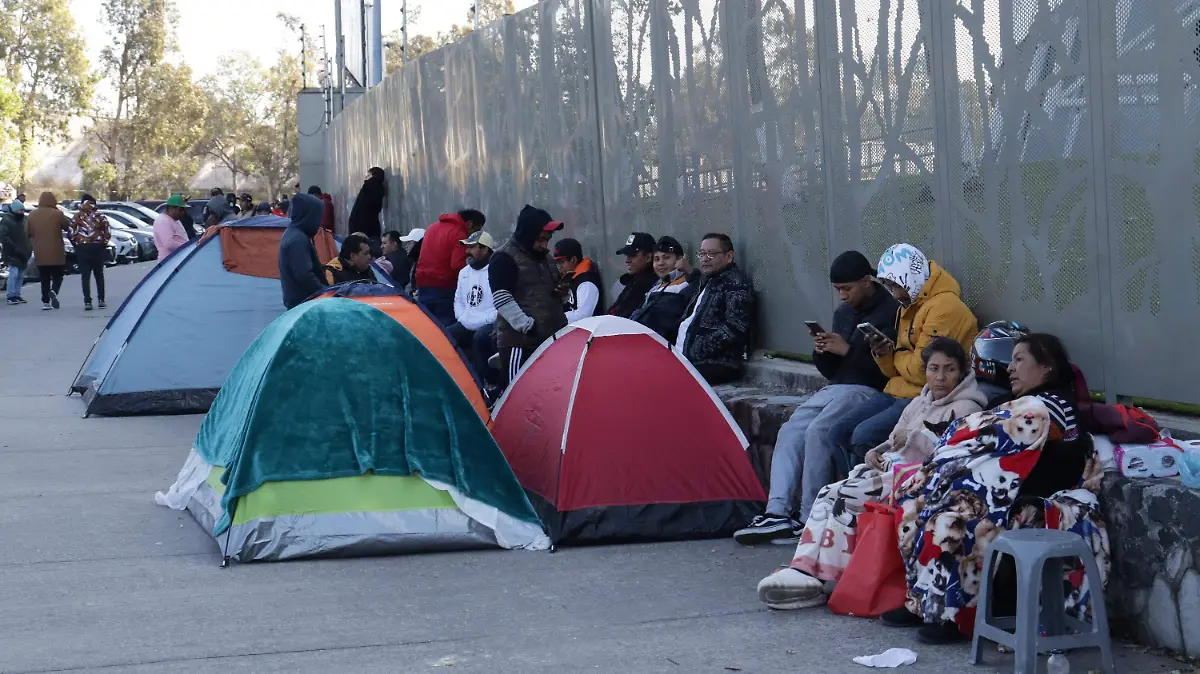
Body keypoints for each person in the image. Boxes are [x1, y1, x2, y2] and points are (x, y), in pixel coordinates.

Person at [882, 333, 1104, 645]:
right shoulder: (1019, 401)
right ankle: (924, 603)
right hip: (1009, 491)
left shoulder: (1054, 405)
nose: (1010, 368)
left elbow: (987, 435)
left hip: (1037, 502)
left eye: (1019, 360)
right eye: (1010, 360)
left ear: (1046, 367)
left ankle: (956, 616)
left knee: (958, 520)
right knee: (921, 503)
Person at [756, 337, 988, 609]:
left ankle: (816, 574)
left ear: (962, 372)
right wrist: (875, 453)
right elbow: (893, 438)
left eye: (949, 369)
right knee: (828, 493)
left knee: (842, 495)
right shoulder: (919, 402)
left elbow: (944, 454)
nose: (940, 377)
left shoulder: (967, 407)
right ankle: (805, 568)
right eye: (934, 368)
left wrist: (910, 440)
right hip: (891, 471)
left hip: (917, 481)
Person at [732, 251, 900, 544]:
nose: (843, 296)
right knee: (791, 430)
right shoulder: (844, 313)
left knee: (818, 431)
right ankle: (777, 512)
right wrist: (823, 351)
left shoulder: (891, 310)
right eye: (838, 290)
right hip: (836, 387)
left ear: (866, 281)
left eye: (847, 289)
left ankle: (809, 517)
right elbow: (830, 369)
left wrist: (847, 351)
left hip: (868, 391)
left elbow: (886, 371)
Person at [830, 243, 978, 464]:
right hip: (897, 389)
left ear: (912, 278)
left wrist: (896, 355)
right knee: (837, 432)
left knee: (863, 436)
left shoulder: (945, 308)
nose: (895, 294)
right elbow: (895, 370)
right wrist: (883, 353)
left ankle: (875, 486)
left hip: (923, 394)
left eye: (896, 286)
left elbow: (922, 370)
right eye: (889, 287)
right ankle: (855, 484)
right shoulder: (908, 305)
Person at [489, 205, 568, 385]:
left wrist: (562, 293)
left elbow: (552, 289)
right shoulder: (504, 257)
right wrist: (527, 326)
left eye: (547, 239)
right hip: (520, 344)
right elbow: (501, 297)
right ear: (527, 234)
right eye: (540, 239)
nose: (544, 245)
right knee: (516, 395)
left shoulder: (546, 257)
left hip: (550, 340)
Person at [674, 233, 753, 385]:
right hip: (686, 359)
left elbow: (735, 327)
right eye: (702, 253)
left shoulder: (736, 283)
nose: (704, 258)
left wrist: (696, 349)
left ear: (729, 256)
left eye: (711, 254)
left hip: (715, 364)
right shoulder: (708, 280)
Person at [415, 209, 487, 326]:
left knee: (427, 327)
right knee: (446, 332)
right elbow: (457, 265)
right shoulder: (459, 233)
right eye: (475, 231)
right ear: (470, 224)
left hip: (423, 284)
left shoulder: (432, 228)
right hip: (444, 288)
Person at [447, 231, 498, 378]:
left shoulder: (496, 270)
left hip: (489, 322)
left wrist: (483, 320)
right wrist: (463, 317)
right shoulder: (464, 272)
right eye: (467, 247)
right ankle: (454, 379)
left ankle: (486, 384)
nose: (467, 251)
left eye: (472, 247)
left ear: (485, 250)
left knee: (480, 338)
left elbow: (501, 304)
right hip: (466, 320)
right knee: (444, 336)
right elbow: (459, 301)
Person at [629, 236, 697, 343]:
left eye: (666, 257)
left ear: (681, 259)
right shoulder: (655, 287)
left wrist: (689, 270)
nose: (660, 263)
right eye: (656, 259)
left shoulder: (687, 285)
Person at [278, 192, 329, 309]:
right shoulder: (298, 240)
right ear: (308, 216)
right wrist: (325, 293)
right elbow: (304, 276)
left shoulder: (293, 234)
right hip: (304, 305)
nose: (319, 222)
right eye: (317, 217)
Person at [27, 192, 70, 310]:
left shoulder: (32, 214)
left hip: (39, 251)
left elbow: (28, 233)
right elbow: (67, 226)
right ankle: (54, 291)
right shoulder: (58, 214)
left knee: (44, 277)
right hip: (56, 251)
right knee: (58, 275)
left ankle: (45, 302)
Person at [68, 194, 110, 311]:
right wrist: (103, 243)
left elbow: (70, 232)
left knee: (85, 276)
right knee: (99, 275)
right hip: (97, 248)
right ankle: (101, 300)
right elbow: (107, 232)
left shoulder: (77, 217)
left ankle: (88, 301)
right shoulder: (101, 217)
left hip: (83, 248)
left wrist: (77, 244)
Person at [608, 232, 657, 318]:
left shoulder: (648, 284)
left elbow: (624, 318)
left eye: (632, 255)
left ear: (648, 258)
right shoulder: (633, 280)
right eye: (627, 255)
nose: (627, 260)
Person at [552, 238, 602, 323]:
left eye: (562, 262)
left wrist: (555, 319)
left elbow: (583, 315)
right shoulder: (575, 278)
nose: (560, 267)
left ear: (573, 260)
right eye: (558, 263)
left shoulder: (586, 282)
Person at [0, 200, 31, 305]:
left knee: (21, 274)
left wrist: (29, 248)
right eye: (20, 210)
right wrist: (13, 247)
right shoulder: (7, 220)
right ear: (14, 211)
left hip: (24, 251)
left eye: (23, 210)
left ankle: (17, 294)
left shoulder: (24, 220)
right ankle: (11, 295)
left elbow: (28, 235)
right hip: (12, 252)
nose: (22, 212)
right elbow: (4, 236)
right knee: (14, 273)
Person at [347, 167, 386, 245]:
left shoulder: (368, 187)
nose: (365, 178)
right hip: (370, 226)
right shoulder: (377, 188)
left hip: (362, 228)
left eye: (367, 175)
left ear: (372, 175)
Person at [153, 194, 189, 259]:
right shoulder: (163, 220)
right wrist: (188, 246)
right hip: (169, 261)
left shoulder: (173, 219)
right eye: (180, 210)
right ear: (171, 208)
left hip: (177, 259)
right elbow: (169, 244)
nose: (183, 212)